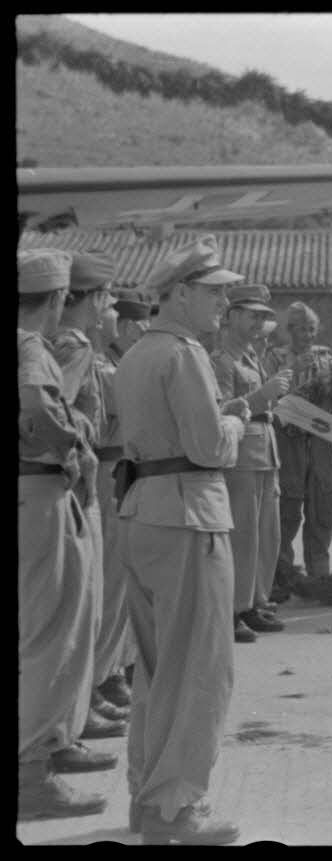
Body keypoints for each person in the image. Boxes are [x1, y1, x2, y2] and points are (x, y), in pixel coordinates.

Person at [114, 235, 249, 843]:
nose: (223, 303)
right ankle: (175, 808)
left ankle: (147, 797)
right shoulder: (185, 353)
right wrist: (238, 420)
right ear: (180, 294)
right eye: (213, 292)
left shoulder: (138, 352)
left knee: (156, 668)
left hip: (143, 512)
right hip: (189, 515)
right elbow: (209, 447)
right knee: (200, 668)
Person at [18, 249, 110, 820]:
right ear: (56, 298)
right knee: (51, 634)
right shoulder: (30, 345)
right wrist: (71, 441)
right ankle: (32, 775)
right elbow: (37, 400)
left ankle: (46, 745)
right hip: (40, 491)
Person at [51, 251, 132, 741]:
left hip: (83, 474)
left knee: (94, 595)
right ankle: (75, 710)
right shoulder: (75, 347)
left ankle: (86, 697)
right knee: (88, 596)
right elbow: (54, 411)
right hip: (83, 477)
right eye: (108, 300)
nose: (111, 310)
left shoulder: (66, 343)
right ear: (94, 299)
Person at [210, 284, 291, 643]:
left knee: (265, 533)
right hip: (242, 454)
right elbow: (223, 410)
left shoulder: (250, 356)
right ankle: (233, 608)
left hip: (264, 451)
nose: (259, 322)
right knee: (242, 535)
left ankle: (255, 600)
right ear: (231, 316)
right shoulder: (221, 360)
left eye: (263, 316)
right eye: (252, 315)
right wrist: (263, 395)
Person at [93, 288, 154, 711]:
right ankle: (103, 674)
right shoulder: (105, 366)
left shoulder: (118, 364)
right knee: (112, 578)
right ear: (132, 326)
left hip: (126, 468)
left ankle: (121, 664)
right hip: (109, 469)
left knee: (127, 576)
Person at [262, 301, 332, 593]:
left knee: (324, 506)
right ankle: (282, 577)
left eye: (311, 329)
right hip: (288, 442)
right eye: (301, 329)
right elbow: (267, 398)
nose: (307, 335)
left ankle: (319, 576)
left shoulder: (326, 358)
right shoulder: (274, 357)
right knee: (287, 509)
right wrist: (293, 370)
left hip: (320, 444)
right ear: (289, 330)